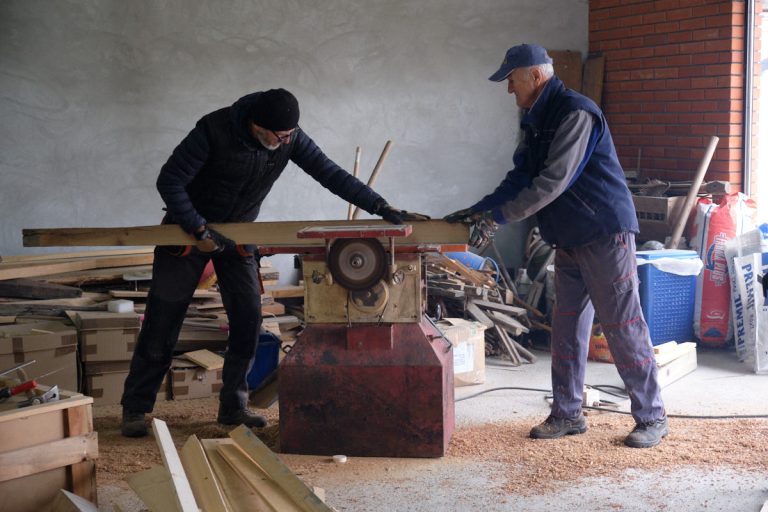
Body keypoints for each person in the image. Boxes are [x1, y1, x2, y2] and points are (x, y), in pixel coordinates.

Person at [121, 88, 425, 437]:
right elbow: (169, 181)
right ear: (256, 126)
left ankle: (233, 408)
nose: (285, 142)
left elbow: (331, 174)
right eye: (279, 136)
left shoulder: (290, 137)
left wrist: (381, 207)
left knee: (249, 319)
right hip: (187, 234)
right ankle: (136, 408)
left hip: (236, 238)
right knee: (163, 322)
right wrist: (197, 227)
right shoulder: (213, 130)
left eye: (290, 135)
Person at [444, 44, 668, 448]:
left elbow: (552, 182)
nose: (508, 89)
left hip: (603, 234)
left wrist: (496, 218)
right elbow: (519, 179)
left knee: (622, 327)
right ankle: (567, 413)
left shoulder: (575, 112)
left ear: (535, 75)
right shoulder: (536, 118)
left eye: (511, 80)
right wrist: (476, 211)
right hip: (568, 237)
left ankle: (651, 416)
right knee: (565, 330)